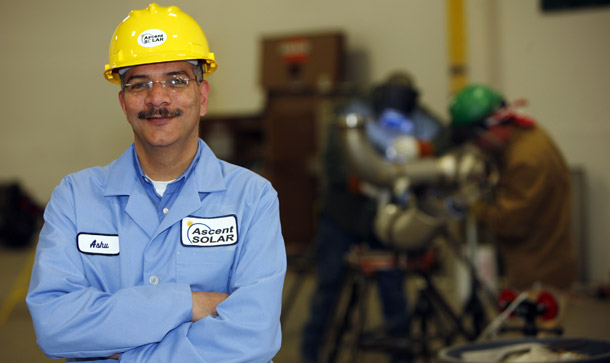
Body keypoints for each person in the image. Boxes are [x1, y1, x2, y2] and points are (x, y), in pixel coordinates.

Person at [26, 4, 286, 362]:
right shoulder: (75, 197)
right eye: (139, 84)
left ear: (203, 96)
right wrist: (188, 303)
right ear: (124, 103)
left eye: (176, 80)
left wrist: (126, 353)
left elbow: (253, 334)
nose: (157, 98)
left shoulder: (252, 198)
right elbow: (55, 326)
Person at [300, 72, 445, 363]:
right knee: (328, 286)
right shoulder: (353, 114)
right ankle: (310, 353)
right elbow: (334, 163)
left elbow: (443, 140)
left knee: (392, 287)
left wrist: (424, 149)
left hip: (387, 219)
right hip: (342, 215)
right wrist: (363, 180)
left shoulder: (422, 119)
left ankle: (401, 355)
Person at [448, 84, 577, 292]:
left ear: (490, 128)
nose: (476, 147)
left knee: (534, 325)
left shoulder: (526, 159)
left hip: (539, 273)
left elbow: (509, 223)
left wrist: (475, 205)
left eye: (475, 140)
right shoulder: (524, 135)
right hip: (537, 262)